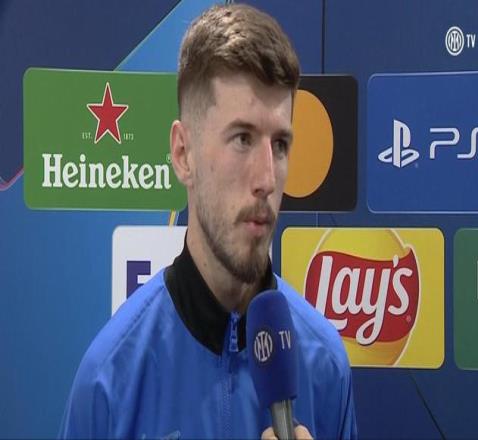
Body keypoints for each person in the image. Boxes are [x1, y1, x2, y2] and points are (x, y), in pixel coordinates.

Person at [59, 4, 357, 439]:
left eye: (280, 144)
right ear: (184, 154)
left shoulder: (325, 364)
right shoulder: (109, 379)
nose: (267, 179)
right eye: (242, 138)